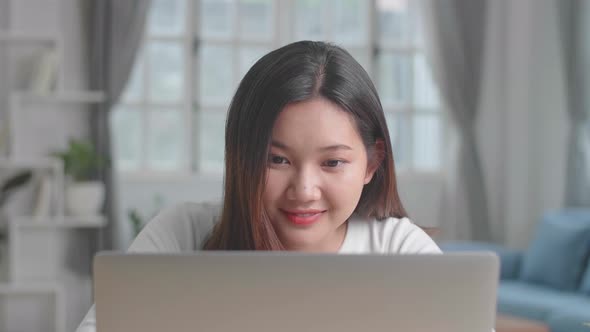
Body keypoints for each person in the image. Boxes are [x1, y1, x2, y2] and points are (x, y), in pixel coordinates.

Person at [76, 40, 440, 332]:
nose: (304, 190)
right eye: (276, 160)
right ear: (241, 158)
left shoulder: (399, 250)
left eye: (332, 163)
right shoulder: (182, 235)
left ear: (372, 163)